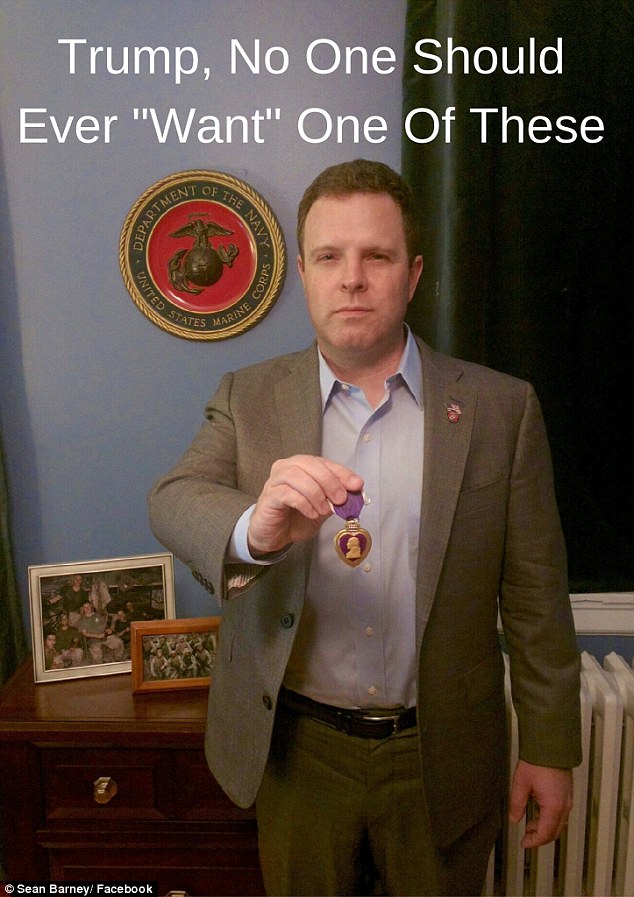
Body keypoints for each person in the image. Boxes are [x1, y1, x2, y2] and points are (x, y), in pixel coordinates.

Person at [148, 159, 581, 896]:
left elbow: (538, 601)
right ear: (305, 274)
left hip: (440, 754)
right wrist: (255, 529)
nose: (351, 279)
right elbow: (172, 499)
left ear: (412, 274)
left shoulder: (501, 410)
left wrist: (549, 747)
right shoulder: (247, 395)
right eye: (329, 257)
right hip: (297, 750)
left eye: (376, 256)